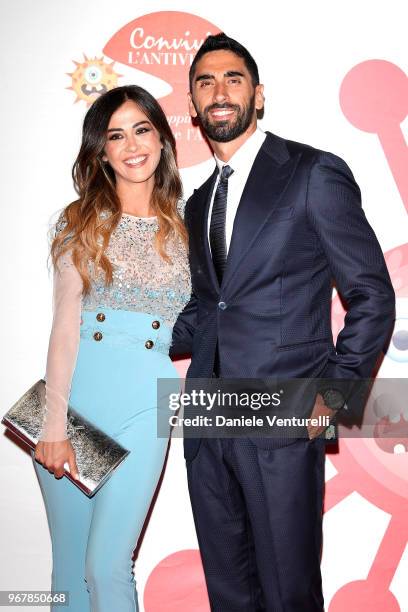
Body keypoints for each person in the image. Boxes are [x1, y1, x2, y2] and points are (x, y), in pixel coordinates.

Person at [170, 33, 395, 611]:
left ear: (258, 95)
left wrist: (332, 394)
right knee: (230, 592)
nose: (218, 92)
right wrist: (126, 335)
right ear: (193, 107)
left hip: (282, 412)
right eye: (204, 83)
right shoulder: (198, 203)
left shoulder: (312, 172)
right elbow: (206, 309)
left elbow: (372, 294)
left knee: (288, 591)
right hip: (209, 417)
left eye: (232, 79)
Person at [32, 85, 191, 612]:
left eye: (142, 129)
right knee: (70, 573)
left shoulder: (191, 226)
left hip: (148, 400)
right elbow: (64, 326)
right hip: (76, 405)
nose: (131, 146)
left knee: (107, 566)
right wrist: (54, 426)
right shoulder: (78, 220)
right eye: (115, 135)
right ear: (100, 151)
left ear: (163, 140)